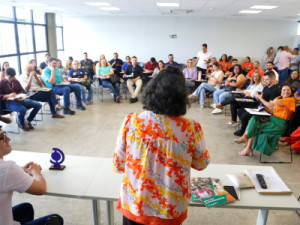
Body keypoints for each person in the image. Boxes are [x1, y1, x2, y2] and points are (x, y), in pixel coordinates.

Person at [113, 66, 210, 225]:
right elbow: (201, 163)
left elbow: (118, 164)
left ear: (152, 90)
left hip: (135, 203)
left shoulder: (132, 121)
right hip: (170, 208)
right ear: (181, 97)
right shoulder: (191, 128)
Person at [0, 127, 64, 225]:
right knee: (56, 219)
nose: (8, 139)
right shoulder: (7, 168)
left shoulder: (6, 170)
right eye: (2, 137)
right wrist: (35, 172)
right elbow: (40, 189)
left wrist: (20, 171)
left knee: (26, 208)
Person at [235, 84, 295, 156]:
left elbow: (274, 101)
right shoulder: (282, 100)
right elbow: (273, 111)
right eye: (284, 90)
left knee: (255, 126)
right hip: (272, 120)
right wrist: (264, 109)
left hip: (279, 126)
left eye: (288, 90)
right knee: (254, 118)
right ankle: (245, 138)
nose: (286, 91)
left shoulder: (290, 100)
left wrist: (276, 97)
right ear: (281, 92)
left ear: (291, 92)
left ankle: (247, 147)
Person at [234, 71, 281, 136]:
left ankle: (244, 131)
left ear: (273, 78)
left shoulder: (275, 90)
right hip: (260, 107)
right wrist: (258, 97)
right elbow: (261, 98)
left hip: (267, 111)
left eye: (267, 79)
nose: (265, 81)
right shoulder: (266, 87)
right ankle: (246, 129)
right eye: (264, 79)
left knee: (245, 115)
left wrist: (260, 98)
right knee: (240, 110)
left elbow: (270, 105)